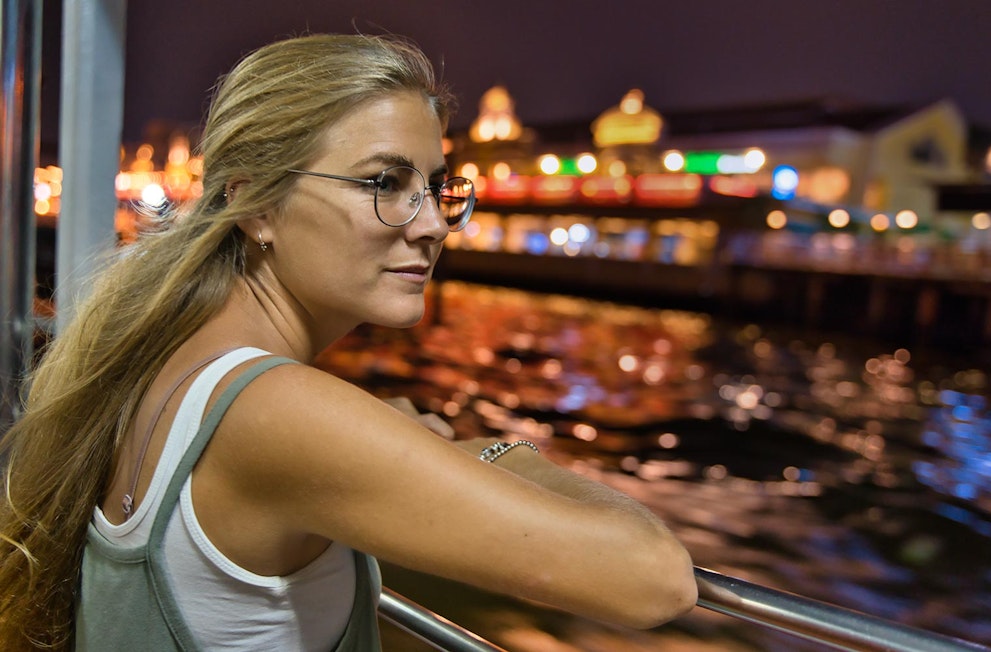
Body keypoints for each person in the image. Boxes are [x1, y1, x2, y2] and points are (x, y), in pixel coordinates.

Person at [0, 33, 698, 650]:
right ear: (255, 203)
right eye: (384, 183)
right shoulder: (278, 411)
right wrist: (494, 452)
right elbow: (654, 581)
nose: (432, 225)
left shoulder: (168, 356)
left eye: (435, 187)